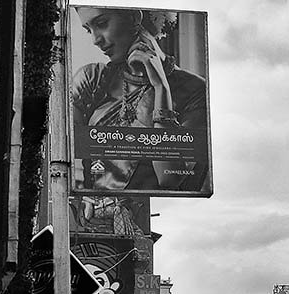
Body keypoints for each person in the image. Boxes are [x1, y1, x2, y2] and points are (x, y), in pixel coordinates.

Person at [71, 7, 210, 192]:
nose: (95, 40)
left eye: (102, 24)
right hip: (89, 207)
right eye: (88, 30)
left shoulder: (195, 89)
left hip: (153, 207)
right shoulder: (94, 80)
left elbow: (169, 178)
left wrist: (161, 88)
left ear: (134, 17)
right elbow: (70, 166)